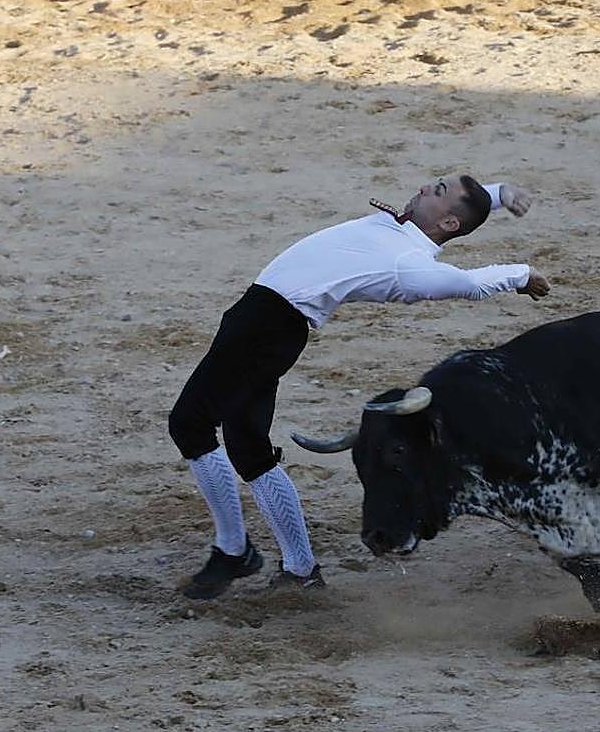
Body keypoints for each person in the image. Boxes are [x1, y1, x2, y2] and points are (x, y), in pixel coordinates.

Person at [168, 175, 550, 599]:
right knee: (247, 443)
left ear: (448, 224)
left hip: (267, 328)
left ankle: (233, 550)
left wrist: (520, 274)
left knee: (190, 424)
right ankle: (299, 568)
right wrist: (499, 195)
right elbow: (468, 206)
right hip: (263, 322)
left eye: (438, 191)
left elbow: (470, 283)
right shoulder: (404, 229)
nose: (425, 186)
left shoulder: (411, 266)